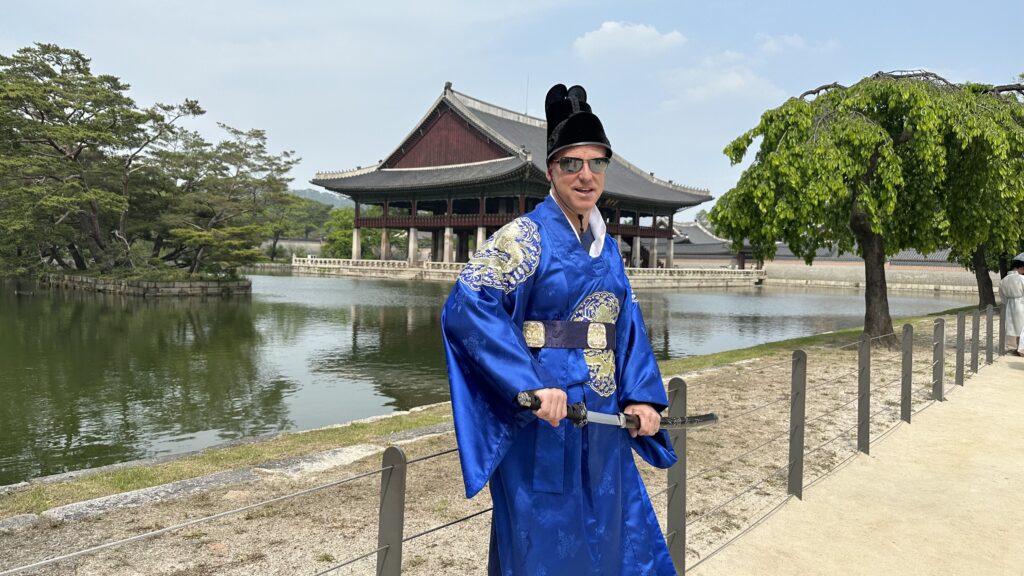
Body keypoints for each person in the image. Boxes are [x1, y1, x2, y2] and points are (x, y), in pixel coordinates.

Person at [441, 84, 677, 575]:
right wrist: (528, 384)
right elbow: (467, 307)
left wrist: (642, 399)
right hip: (545, 420)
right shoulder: (524, 237)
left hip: (604, 418)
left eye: (596, 163)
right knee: (541, 546)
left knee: (612, 536)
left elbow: (625, 326)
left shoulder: (608, 247)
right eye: (572, 163)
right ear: (550, 170)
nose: (585, 175)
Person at [999, 253, 1024, 355]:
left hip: (1010, 305)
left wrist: (1008, 303)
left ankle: (1016, 348)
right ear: (1021, 267)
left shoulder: (1004, 280)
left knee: (1014, 328)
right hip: (1021, 304)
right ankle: (1021, 350)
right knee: (1022, 328)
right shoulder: (1022, 279)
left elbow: (1002, 296)